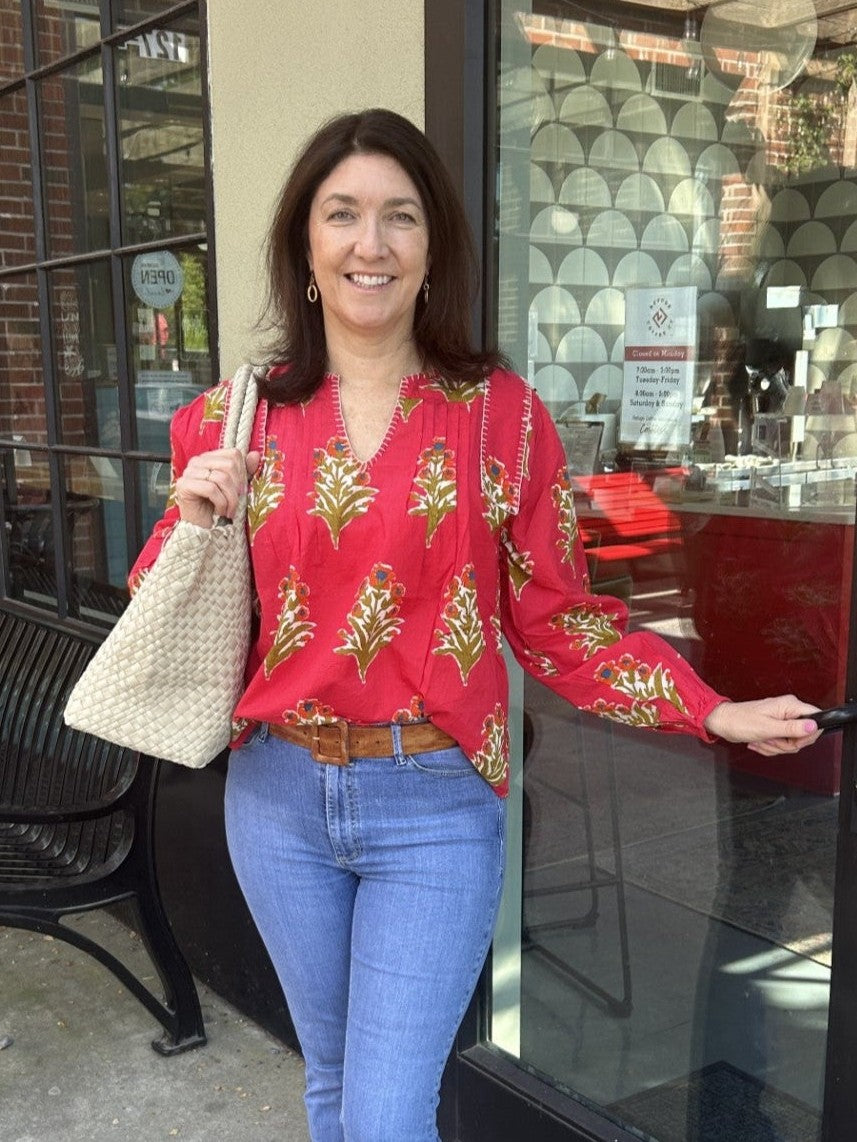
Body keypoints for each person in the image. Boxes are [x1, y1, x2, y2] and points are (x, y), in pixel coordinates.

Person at [131, 109, 821, 1142]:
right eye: (344, 214)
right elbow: (166, 613)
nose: (372, 242)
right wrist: (191, 510)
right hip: (275, 795)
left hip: (434, 803)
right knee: (330, 1081)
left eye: (399, 217)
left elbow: (558, 620)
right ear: (305, 247)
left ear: (432, 246)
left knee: (383, 1113)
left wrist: (706, 710)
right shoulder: (231, 417)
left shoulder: (499, 415)